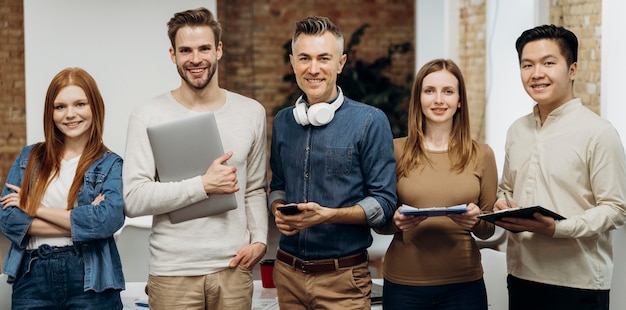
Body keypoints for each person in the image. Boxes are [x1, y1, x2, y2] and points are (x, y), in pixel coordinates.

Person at [122, 7, 268, 310]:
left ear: (218, 50)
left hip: (233, 269)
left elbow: (254, 188)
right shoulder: (147, 115)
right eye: (185, 50)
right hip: (172, 272)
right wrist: (203, 185)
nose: (196, 59)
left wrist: (260, 240)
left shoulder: (251, 112)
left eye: (204, 48)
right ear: (173, 54)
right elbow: (134, 200)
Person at [268, 16, 397, 310]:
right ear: (292, 62)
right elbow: (277, 187)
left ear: (341, 63)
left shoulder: (370, 121)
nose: (313, 69)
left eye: (324, 58)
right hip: (287, 275)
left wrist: (327, 215)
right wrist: (278, 209)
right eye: (304, 58)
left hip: (343, 281)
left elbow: (384, 203)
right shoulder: (283, 122)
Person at [494, 24, 626, 310]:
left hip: (578, 284)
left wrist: (558, 228)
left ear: (573, 69)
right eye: (527, 65)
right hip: (520, 276)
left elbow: (616, 209)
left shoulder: (599, 133)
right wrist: (503, 204)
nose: (536, 73)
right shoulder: (516, 130)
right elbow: (506, 188)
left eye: (548, 63)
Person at [374, 59, 497, 310]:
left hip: (464, 287)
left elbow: (488, 229)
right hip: (403, 287)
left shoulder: (482, 155)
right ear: (418, 98)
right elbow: (380, 222)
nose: (438, 100)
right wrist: (396, 222)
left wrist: (476, 220)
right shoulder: (394, 150)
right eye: (429, 91)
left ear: (459, 100)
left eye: (448, 91)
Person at [0, 67, 125, 309]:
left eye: (80, 104)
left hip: (91, 280)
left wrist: (33, 207)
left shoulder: (110, 163)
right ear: (51, 112)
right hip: (32, 276)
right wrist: (82, 222)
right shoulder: (30, 157)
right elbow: (7, 219)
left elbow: (107, 221)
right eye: (60, 107)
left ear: (95, 107)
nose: (70, 114)